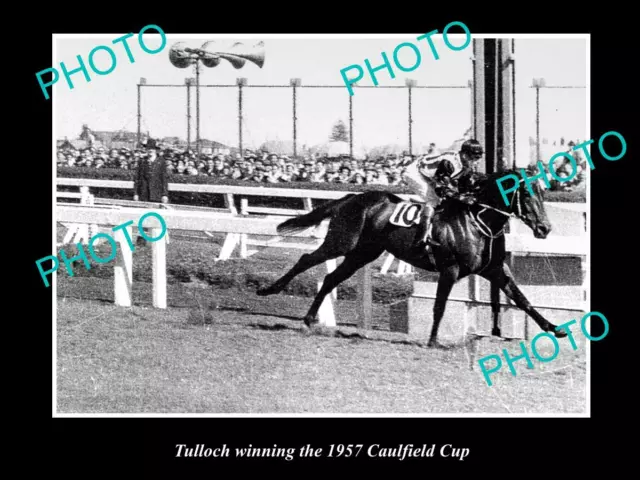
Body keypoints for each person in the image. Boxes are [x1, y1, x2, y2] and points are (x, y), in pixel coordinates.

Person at [403, 139, 485, 251]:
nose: (476, 162)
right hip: (414, 173)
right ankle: (421, 238)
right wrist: (462, 198)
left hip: (430, 175)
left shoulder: (465, 163)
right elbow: (441, 189)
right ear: (465, 155)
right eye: (475, 159)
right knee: (434, 199)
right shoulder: (448, 163)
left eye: (478, 158)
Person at [133, 138, 169, 246]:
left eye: (152, 149)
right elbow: (137, 179)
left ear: (155, 150)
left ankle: (157, 240)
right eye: (148, 149)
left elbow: (164, 179)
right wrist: (136, 193)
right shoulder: (142, 161)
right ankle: (141, 239)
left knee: (155, 216)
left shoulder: (161, 162)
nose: (150, 151)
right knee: (143, 215)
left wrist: (164, 194)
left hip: (156, 193)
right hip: (144, 192)